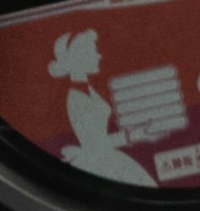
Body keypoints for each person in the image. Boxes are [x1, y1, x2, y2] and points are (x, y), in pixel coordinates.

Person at [48, 28, 157, 184]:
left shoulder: (86, 88)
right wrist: (133, 135)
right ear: (79, 57)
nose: (99, 56)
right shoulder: (77, 97)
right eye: (93, 51)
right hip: (100, 163)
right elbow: (95, 145)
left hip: (105, 157)